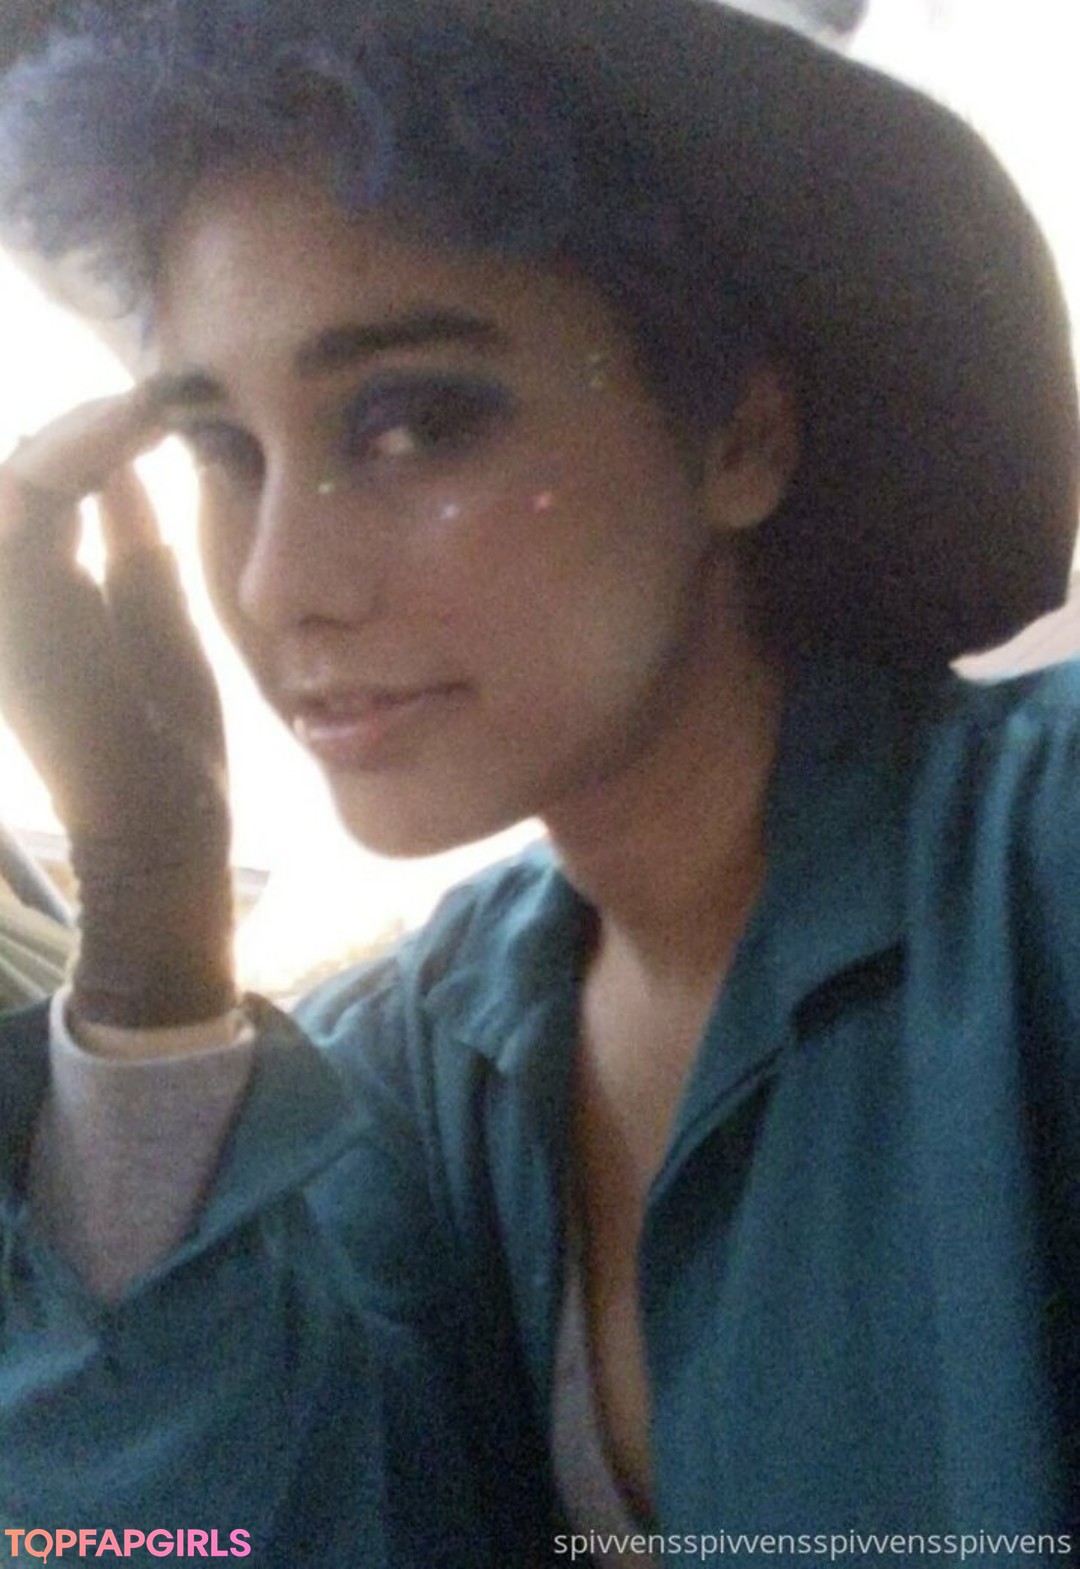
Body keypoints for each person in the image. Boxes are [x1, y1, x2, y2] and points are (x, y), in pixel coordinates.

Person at [0, 0, 1077, 1563]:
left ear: (741, 439)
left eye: (412, 421)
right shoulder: (405, 1065)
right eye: (223, 448)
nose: (281, 582)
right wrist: (154, 930)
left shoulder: (1040, 870)